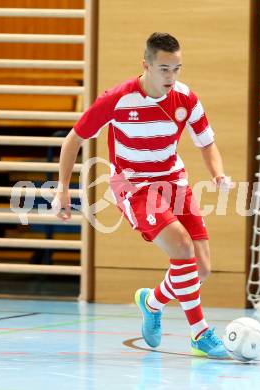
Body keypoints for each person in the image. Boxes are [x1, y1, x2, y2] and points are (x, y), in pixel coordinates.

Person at [53, 32, 232, 359]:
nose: (171, 76)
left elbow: (206, 142)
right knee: (181, 245)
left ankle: (152, 303)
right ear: (146, 65)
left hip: (173, 180)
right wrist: (63, 189)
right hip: (133, 185)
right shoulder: (118, 99)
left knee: (201, 269)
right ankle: (199, 333)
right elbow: (74, 139)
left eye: (177, 68)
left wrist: (217, 173)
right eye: (164, 69)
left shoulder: (186, 98)